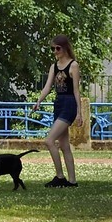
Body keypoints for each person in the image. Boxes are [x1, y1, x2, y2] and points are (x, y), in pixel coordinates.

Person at [34, 34, 81, 187]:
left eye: (57, 48)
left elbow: (76, 91)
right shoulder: (54, 66)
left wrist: (79, 113)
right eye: (53, 49)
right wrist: (39, 101)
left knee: (49, 140)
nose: (55, 51)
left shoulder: (73, 65)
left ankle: (60, 177)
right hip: (58, 103)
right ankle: (72, 181)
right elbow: (48, 87)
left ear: (65, 47)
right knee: (64, 145)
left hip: (69, 104)